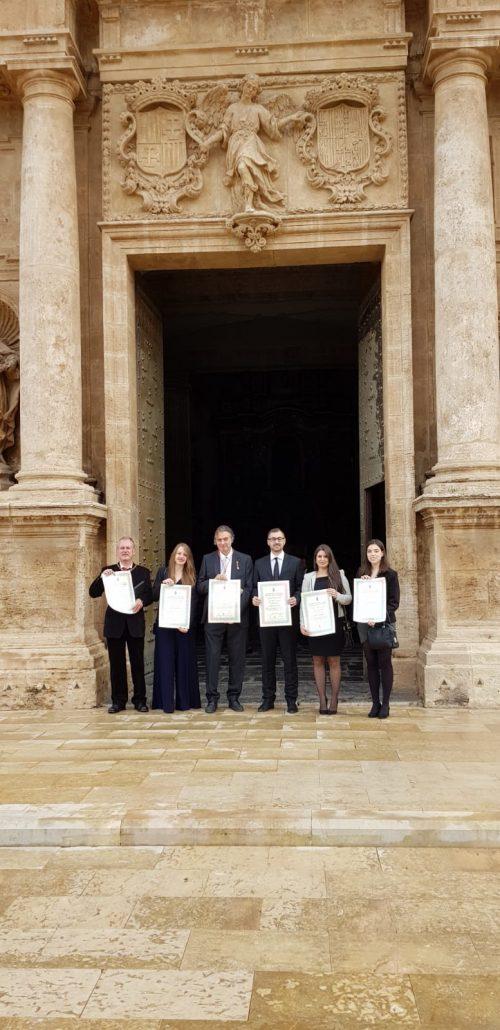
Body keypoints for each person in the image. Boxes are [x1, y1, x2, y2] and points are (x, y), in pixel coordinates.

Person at [89, 537, 153, 714]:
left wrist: (142, 600)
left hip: (135, 623)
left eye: (128, 548)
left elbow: (149, 594)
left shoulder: (143, 572)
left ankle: (140, 700)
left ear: (133, 551)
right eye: (122, 548)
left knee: (137, 663)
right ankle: (118, 701)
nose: (125, 551)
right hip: (115, 625)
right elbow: (93, 592)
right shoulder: (108, 571)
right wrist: (102, 577)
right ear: (118, 551)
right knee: (116, 665)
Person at [197, 525, 253, 713]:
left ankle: (234, 697)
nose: (222, 543)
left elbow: (249, 588)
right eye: (219, 540)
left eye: (225, 539)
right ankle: (212, 699)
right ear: (215, 541)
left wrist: (236, 611)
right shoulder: (208, 559)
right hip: (213, 617)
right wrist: (213, 581)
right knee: (212, 658)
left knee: (237, 658)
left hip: (237, 618)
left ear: (232, 540)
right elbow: (200, 586)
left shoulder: (245, 560)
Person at [252, 528, 304, 713]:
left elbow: (300, 588)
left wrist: (296, 598)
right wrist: (255, 598)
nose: (276, 541)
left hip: (287, 620)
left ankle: (291, 700)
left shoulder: (296, 562)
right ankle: (268, 699)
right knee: (267, 661)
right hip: (266, 620)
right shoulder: (259, 563)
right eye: (273, 539)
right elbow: (253, 588)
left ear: (284, 541)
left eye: (279, 538)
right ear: (267, 542)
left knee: (289, 661)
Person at [300, 545, 352, 715]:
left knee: (334, 661)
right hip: (315, 625)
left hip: (334, 624)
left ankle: (335, 698)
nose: (322, 559)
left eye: (325, 556)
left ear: (330, 558)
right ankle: (322, 699)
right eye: (319, 556)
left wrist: (336, 595)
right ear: (315, 559)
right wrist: (302, 623)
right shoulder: (308, 577)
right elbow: (303, 603)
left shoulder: (339, 575)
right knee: (317, 661)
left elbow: (349, 599)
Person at [152, 543, 201, 715]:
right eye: (178, 553)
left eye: (184, 554)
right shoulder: (163, 572)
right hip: (165, 627)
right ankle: (165, 703)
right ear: (173, 555)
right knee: (165, 664)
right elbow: (153, 595)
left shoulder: (192, 576)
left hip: (183, 628)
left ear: (188, 558)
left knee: (183, 664)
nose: (181, 556)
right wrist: (163, 585)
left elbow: (195, 604)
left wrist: (187, 624)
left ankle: (184, 702)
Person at [356, 539, 400, 719]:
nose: (372, 554)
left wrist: (378, 616)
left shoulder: (390, 574)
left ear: (382, 553)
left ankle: (386, 703)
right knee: (371, 664)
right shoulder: (361, 572)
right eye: (369, 551)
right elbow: (359, 598)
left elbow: (394, 602)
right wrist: (363, 583)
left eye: (375, 551)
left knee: (384, 663)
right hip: (365, 626)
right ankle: (375, 703)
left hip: (382, 625)